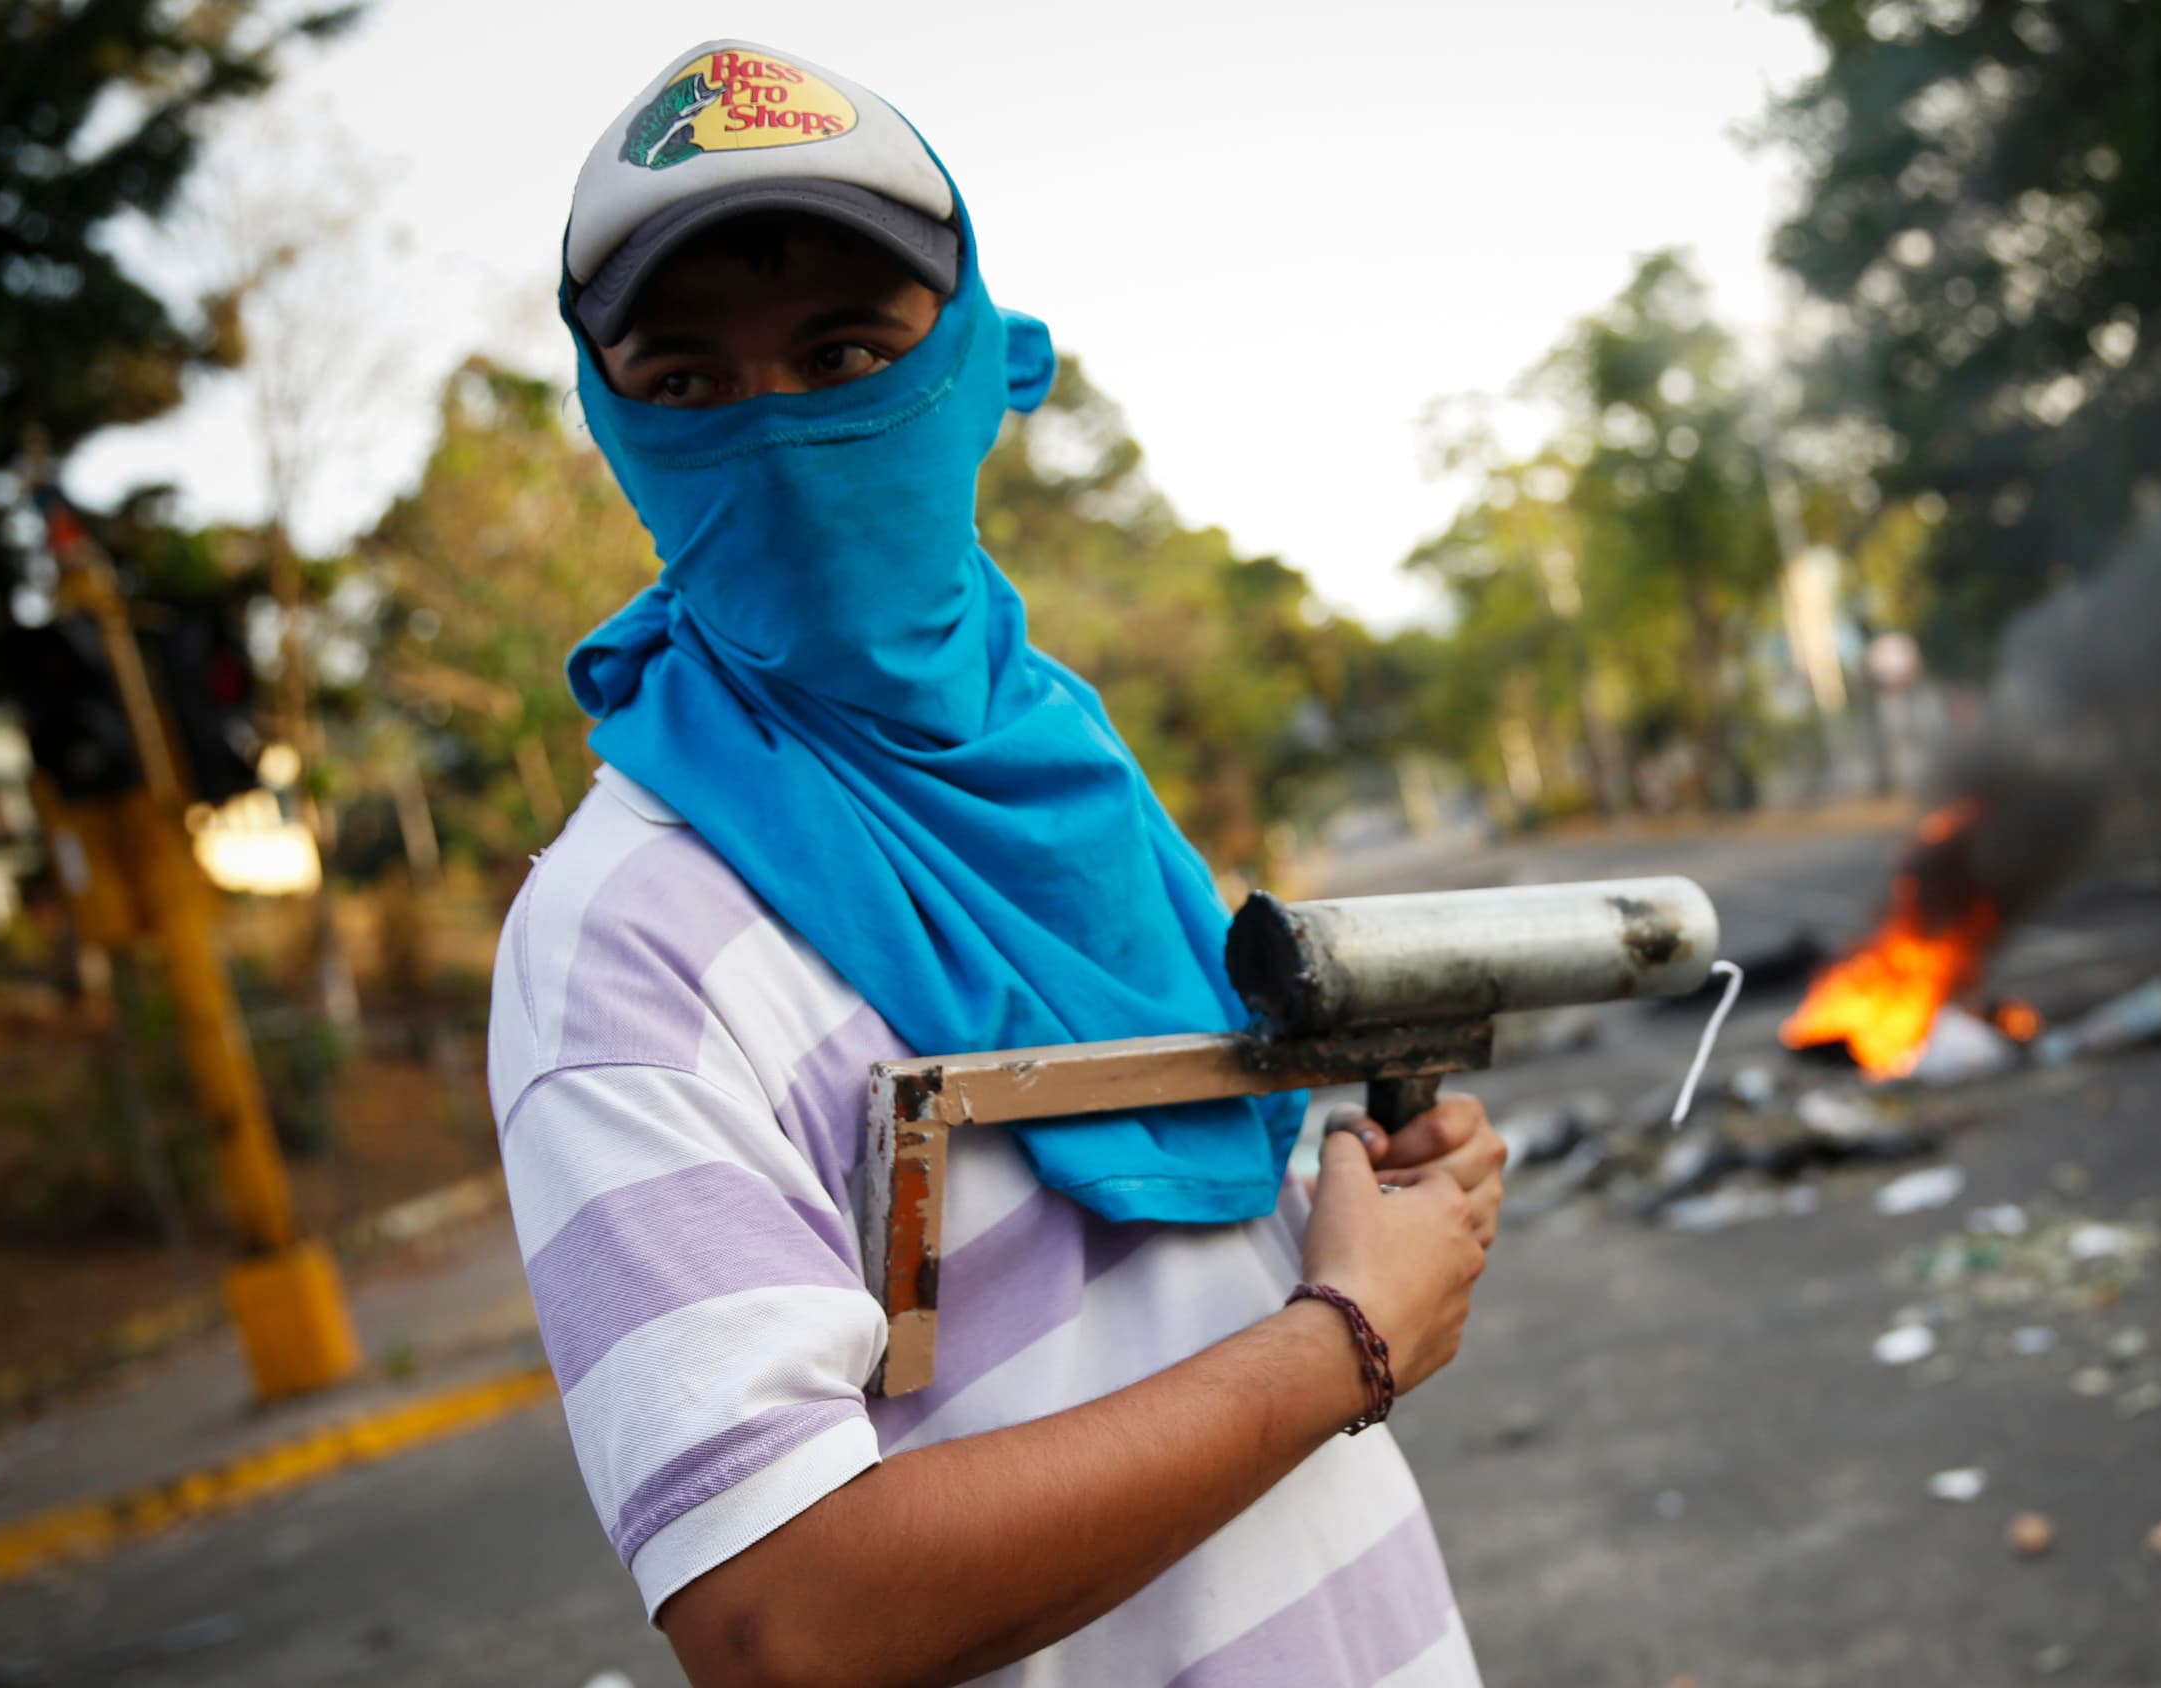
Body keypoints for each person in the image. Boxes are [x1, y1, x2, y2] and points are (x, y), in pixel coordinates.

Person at [490, 40, 1499, 1688]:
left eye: (845, 353)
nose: (782, 439)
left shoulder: (1064, 769)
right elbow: (785, 1617)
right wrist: (1349, 1342)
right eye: (686, 383)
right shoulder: (624, 948)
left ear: (974, 369)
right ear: (616, 427)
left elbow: (1183, 1256)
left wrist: (1366, 1207)